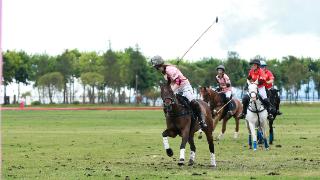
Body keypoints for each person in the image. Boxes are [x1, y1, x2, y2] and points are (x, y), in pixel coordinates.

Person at [150, 55, 207, 129]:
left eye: (155, 67)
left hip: (184, 86)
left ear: (158, 65)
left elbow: (179, 81)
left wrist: (171, 90)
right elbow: (171, 82)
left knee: (193, 102)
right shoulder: (164, 71)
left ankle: (201, 121)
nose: (155, 68)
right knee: (169, 102)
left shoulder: (169, 69)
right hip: (176, 87)